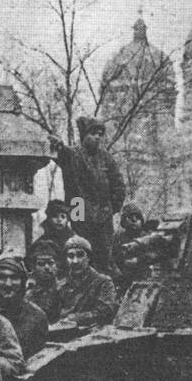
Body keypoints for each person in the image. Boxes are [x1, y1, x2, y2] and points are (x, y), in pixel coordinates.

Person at [50, 118, 126, 276]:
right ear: (84, 136)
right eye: (93, 133)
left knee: (104, 255)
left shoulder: (106, 157)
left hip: (103, 213)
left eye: (100, 134)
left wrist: (111, 207)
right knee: (82, 250)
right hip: (79, 209)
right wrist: (57, 144)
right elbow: (62, 153)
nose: (97, 137)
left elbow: (118, 184)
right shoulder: (73, 154)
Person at [0, 257, 49, 359]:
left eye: (14, 278)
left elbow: (39, 358)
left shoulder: (36, 316)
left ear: (22, 282)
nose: (8, 284)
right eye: (2, 277)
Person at [59, 236, 118, 327]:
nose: (75, 261)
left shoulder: (104, 282)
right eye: (71, 256)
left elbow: (106, 310)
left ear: (89, 257)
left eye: (80, 255)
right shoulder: (61, 285)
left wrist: (77, 318)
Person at [111, 202, 151, 287]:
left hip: (142, 276)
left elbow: (152, 255)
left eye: (137, 217)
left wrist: (138, 260)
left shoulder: (147, 237)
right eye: (130, 217)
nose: (134, 220)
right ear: (124, 220)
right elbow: (112, 257)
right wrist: (117, 272)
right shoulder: (118, 237)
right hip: (122, 276)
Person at [27, 240, 64, 322]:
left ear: (57, 265)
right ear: (33, 267)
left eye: (51, 263)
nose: (47, 267)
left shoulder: (65, 290)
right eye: (41, 264)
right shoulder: (27, 293)